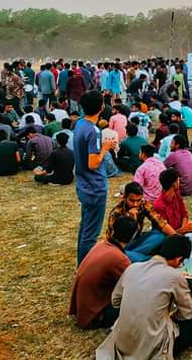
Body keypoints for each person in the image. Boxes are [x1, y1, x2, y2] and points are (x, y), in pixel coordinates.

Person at [96, 235, 192, 360]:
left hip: (122, 342)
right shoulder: (175, 276)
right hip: (153, 345)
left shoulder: (132, 268)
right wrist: (171, 315)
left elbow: (115, 301)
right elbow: (187, 314)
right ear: (178, 259)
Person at [70, 216, 136, 329]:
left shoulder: (102, 244)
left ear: (113, 230)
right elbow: (134, 286)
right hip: (94, 316)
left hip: (82, 309)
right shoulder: (119, 258)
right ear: (133, 236)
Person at [74, 90, 117, 265]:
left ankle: (80, 265)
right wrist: (105, 147)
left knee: (85, 227)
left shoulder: (80, 124)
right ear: (101, 107)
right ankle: (85, 269)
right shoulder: (94, 131)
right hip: (95, 187)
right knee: (91, 234)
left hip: (83, 184)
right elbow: (93, 163)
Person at [153, 168, 192, 234]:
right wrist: (183, 230)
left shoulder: (176, 194)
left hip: (182, 230)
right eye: (178, 180)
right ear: (174, 184)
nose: (179, 182)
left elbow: (184, 214)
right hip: (171, 238)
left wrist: (184, 228)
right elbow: (165, 232)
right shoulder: (159, 206)